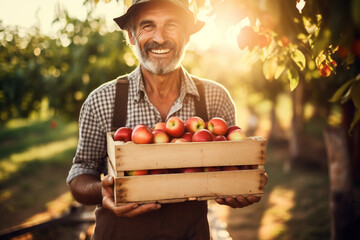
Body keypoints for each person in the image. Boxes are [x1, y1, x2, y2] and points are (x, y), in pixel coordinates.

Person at [67, 0, 265, 239]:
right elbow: (80, 174)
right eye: (147, 26)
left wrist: (242, 182)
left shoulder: (215, 98)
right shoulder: (102, 100)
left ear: (187, 36)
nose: (159, 38)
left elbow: (232, 166)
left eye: (171, 25)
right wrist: (103, 191)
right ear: (131, 36)